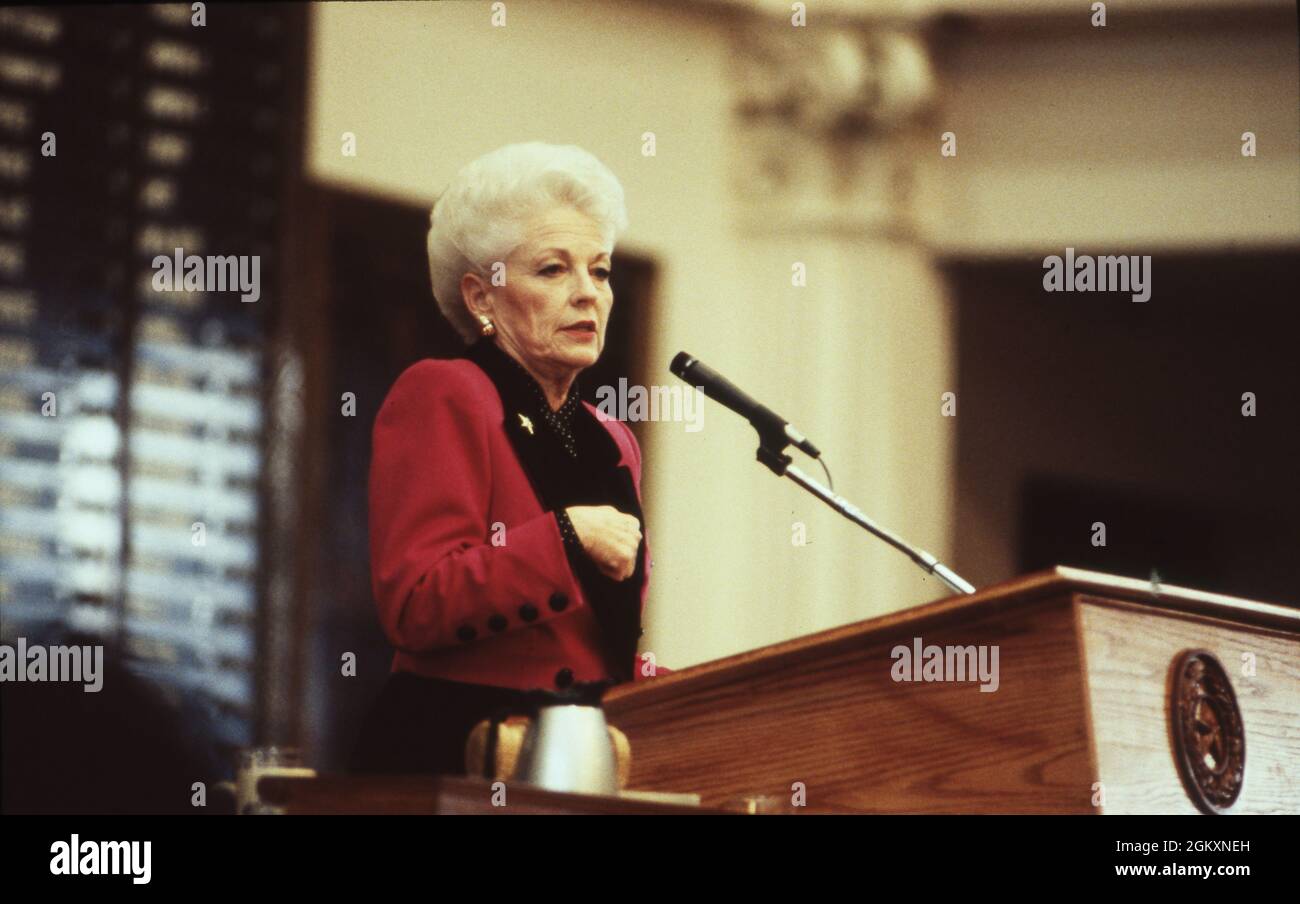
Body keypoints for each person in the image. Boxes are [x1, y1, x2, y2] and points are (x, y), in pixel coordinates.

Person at [351, 142, 671, 776]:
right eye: (553, 270)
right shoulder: (444, 392)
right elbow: (416, 604)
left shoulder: (612, 438)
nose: (588, 294)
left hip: (573, 754)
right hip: (455, 747)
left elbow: (593, 642)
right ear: (482, 298)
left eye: (601, 271)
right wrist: (566, 538)